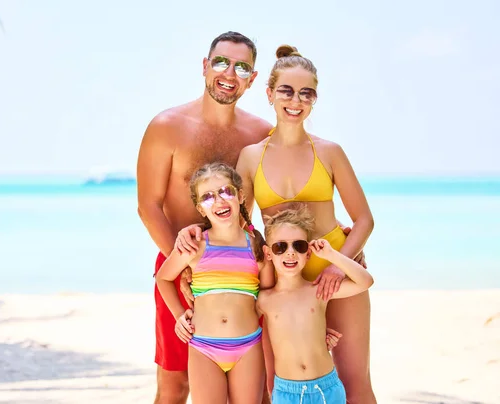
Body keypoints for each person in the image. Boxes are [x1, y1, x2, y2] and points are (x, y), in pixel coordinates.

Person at [175, 44, 376, 403]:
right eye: (286, 90)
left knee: (355, 382)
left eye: (306, 92)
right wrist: (199, 247)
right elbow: (240, 224)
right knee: (277, 384)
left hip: (334, 270)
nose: (295, 100)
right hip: (280, 275)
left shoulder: (330, 152)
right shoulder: (251, 157)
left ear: (315, 99)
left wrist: (343, 259)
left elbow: (364, 219)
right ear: (269, 94)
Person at [136, 31, 274, 404]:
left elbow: (280, 203)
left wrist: (337, 240)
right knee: (175, 385)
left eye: (242, 66)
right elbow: (148, 207)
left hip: (241, 270)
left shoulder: (262, 134)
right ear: (204, 67)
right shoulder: (167, 126)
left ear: (252, 78)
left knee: (258, 388)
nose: (230, 73)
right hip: (179, 263)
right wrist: (182, 269)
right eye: (221, 62)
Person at [156, 162, 274, 403]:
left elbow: (269, 296)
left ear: (241, 196)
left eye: (226, 191)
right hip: (203, 347)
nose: (219, 200)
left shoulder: (255, 247)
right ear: (200, 208)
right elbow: (164, 278)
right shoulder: (195, 246)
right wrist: (179, 315)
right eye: (208, 197)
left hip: (248, 346)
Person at [258, 208, 374, 403]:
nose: (291, 253)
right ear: (268, 253)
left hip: (327, 388)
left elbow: (365, 282)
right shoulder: (264, 300)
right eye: (280, 247)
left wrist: (332, 255)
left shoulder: (318, 291)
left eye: (299, 246)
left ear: (309, 253)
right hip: (287, 392)